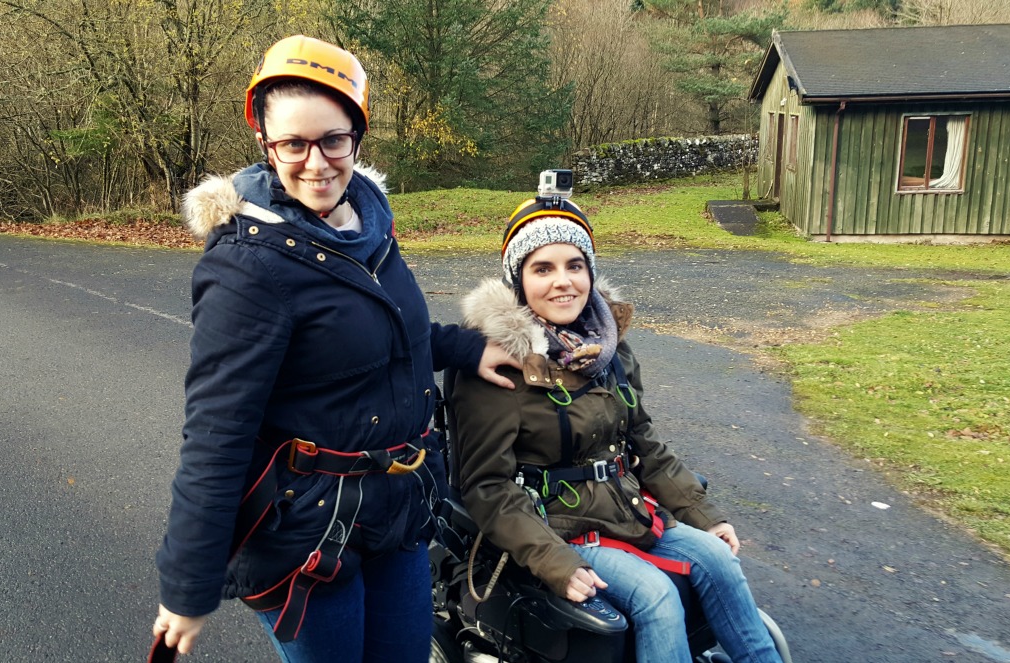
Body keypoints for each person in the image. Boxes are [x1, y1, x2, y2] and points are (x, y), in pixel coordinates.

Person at [151, 35, 518, 662]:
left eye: (333, 139)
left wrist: (465, 348)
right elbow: (217, 429)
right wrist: (188, 585)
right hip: (309, 528)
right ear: (265, 142)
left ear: (357, 137)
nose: (315, 162)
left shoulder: (369, 223)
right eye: (292, 143)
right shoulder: (247, 265)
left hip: (397, 511)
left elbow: (389, 337)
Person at [450, 195, 784, 663]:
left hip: (625, 509)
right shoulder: (496, 366)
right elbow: (485, 486)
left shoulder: (608, 350)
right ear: (519, 281)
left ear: (590, 271)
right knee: (657, 597)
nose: (563, 281)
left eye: (574, 265)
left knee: (721, 563)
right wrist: (554, 561)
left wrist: (705, 515)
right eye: (542, 269)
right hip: (554, 526)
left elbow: (644, 442)